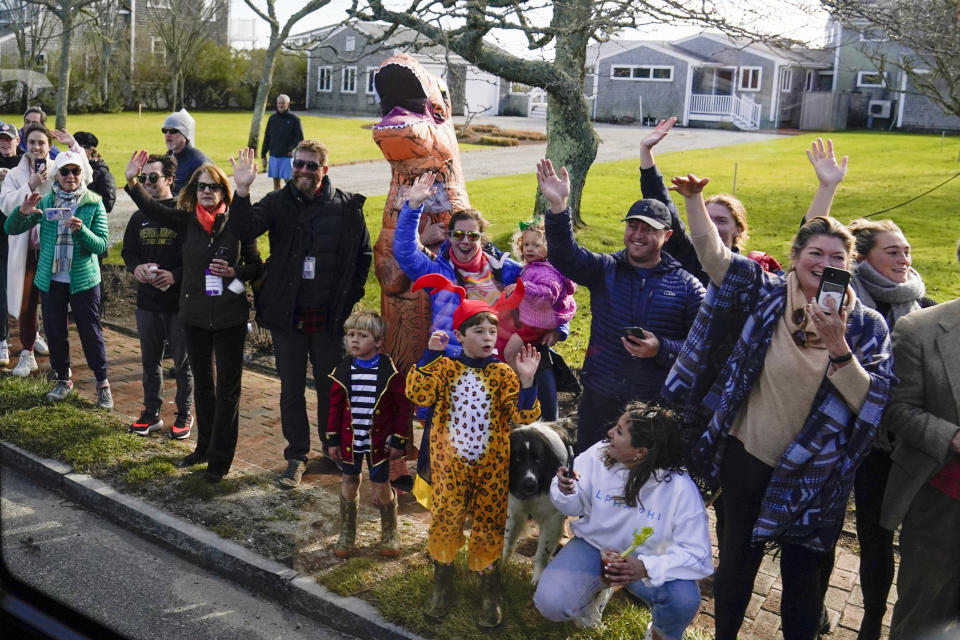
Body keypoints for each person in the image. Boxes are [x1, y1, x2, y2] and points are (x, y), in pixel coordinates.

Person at [664, 174, 893, 640]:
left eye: (836, 258)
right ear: (795, 258)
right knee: (735, 569)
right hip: (748, 453)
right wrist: (694, 200)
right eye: (815, 254)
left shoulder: (867, 327)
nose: (824, 263)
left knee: (804, 584)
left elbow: (871, 404)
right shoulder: (765, 294)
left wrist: (839, 350)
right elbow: (714, 257)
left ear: (847, 266)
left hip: (817, 473)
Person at [536, 158, 705, 453]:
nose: (637, 235)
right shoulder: (606, 269)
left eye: (648, 229)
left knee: (641, 479)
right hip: (600, 395)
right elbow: (565, 256)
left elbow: (701, 349)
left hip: (652, 404)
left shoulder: (687, 285)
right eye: (633, 226)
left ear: (667, 236)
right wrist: (559, 206)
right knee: (590, 468)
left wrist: (660, 348)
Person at [228, 144, 371, 489]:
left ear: (325, 166)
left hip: (329, 317)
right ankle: (296, 456)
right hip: (288, 316)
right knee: (291, 389)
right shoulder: (278, 203)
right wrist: (243, 190)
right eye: (299, 164)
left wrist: (348, 301)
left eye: (311, 165)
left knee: (330, 388)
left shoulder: (346, 207)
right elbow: (244, 229)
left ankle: (332, 449)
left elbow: (363, 256)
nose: (304, 170)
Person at [405, 275, 541, 628]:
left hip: (491, 469)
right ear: (460, 335)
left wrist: (526, 381)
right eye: (478, 331)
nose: (487, 338)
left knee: (489, 526)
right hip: (449, 467)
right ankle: (442, 583)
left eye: (492, 332)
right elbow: (418, 395)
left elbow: (524, 417)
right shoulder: (445, 369)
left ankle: (488, 589)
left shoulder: (502, 375)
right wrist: (429, 355)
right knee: (446, 520)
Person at [124, 150, 262, 484]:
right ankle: (203, 448)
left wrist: (234, 271)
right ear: (193, 190)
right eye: (201, 186)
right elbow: (152, 208)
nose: (206, 192)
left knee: (228, 390)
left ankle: (220, 461)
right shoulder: (186, 222)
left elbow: (257, 267)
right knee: (204, 386)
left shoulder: (238, 223)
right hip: (195, 316)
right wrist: (131, 181)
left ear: (223, 192)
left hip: (229, 317)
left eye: (213, 187)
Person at [394, 172, 565, 421]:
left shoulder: (505, 270)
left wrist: (561, 327)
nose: (465, 241)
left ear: (481, 239)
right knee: (444, 436)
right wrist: (413, 206)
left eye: (473, 235)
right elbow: (405, 251)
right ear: (449, 236)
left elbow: (552, 290)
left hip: (494, 370)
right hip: (450, 366)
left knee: (492, 436)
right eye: (458, 235)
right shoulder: (438, 271)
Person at [533, 402, 712, 640]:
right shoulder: (600, 454)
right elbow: (573, 506)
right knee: (550, 602)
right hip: (594, 548)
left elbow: (698, 555)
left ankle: (660, 633)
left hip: (645, 564)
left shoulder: (680, 490)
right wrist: (566, 490)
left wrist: (646, 567)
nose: (609, 433)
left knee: (683, 599)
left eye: (619, 431)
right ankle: (591, 593)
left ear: (641, 452)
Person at [879, 257, 960, 639]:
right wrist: (952, 437)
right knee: (924, 615)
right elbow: (897, 409)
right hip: (941, 505)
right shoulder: (920, 329)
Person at [5, 151, 112, 408]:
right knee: (55, 332)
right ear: (57, 175)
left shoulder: (93, 202)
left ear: (82, 174)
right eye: (65, 171)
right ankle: (63, 379)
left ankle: (102, 383)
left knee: (90, 332)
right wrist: (23, 212)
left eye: (75, 171)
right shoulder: (45, 201)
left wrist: (81, 231)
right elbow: (11, 228)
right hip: (51, 279)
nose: (70, 176)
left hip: (84, 280)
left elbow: (101, 245)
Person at [639, 117, 781, 286]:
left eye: (721, 220)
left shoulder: (746, 272)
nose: (711, 226)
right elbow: (663, 210)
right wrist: (645, 151)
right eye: (707, 218)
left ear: (738, 229)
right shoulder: (687, 254)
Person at [0, 125, 86, 377]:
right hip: (26, 250)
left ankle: (62, 361)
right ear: (25, 144)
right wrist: (31, 184)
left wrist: (74, 147)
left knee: (54, 305)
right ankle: (27, 354)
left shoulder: (60, 167)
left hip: (54, 249)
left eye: (42, 143)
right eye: (33, 142)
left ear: (49, 147)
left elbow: (84, 178)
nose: (37, 147)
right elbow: (6, 205)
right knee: (27, 303)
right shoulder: (16, 175)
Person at [326, 310, 410, 558]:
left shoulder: (389, 371)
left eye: (362, 335)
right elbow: (334, 407)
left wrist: (399, 439)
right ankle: (347, 532)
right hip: (350, 439)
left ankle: (389, 531)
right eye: (350, 334)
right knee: (349, 480)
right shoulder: (343, 369)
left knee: (381, 483)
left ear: (378, 342)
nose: (354, 340)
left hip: (378, 441)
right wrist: (331, 438)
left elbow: (403, 407)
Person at [121, 153, 193, 440]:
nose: (148, 183)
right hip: (147, 303)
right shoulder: (139, 216)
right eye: (144, 178)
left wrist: (175, 275)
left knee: (183, 363)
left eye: (154, 177)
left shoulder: (182, 212)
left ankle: (184, 414)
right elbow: (129, 251)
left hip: (178, 304)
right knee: (150, 362)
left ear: (170, 180)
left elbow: (196, 255)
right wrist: (136, 267)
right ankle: (152, 413)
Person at [500, 219, 577, 374]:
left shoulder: (547, 271)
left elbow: (548, 295)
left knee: (509, 352)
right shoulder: (535, 266)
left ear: (550, 248)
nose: (530, 249)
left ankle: (517, 384)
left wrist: (524, 288)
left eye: (537, 245)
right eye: (527, 244)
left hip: (535, 324)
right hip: (532, 319)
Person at [0, 122, 21, 366]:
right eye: (1, 139)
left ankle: (31, 338)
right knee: (1, 289)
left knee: (27, 287)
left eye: (9, 139)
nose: (5, 143)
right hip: (0, 235)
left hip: (21, 233)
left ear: (17, 141)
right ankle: (2, 340)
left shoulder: (23, 164)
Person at [260, 94, 304, 192]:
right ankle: (278, 203)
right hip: (274, 155)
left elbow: (299, 137)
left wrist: (289, 148)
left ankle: (293, 203)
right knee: (276, 183)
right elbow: (267, 137)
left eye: (283, 103)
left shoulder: (294, 119)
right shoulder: (272, 118)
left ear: (288, 104)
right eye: (279, 103)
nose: (280, 105)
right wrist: (263, 154)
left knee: (290, 182)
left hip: (287, 157)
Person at [162, 109, 208, 195]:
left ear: (185, 133)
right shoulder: (167, 158)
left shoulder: (199, 162)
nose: (168, 134)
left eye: (173, 131)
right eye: (165, 131)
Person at [74, 132, 116, 214]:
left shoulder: (102, 173)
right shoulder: (70, 171)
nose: (74, 151)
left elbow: (108, 204)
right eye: (71, 147)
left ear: (91, 149)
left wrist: (85, 207)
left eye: (79, 148)